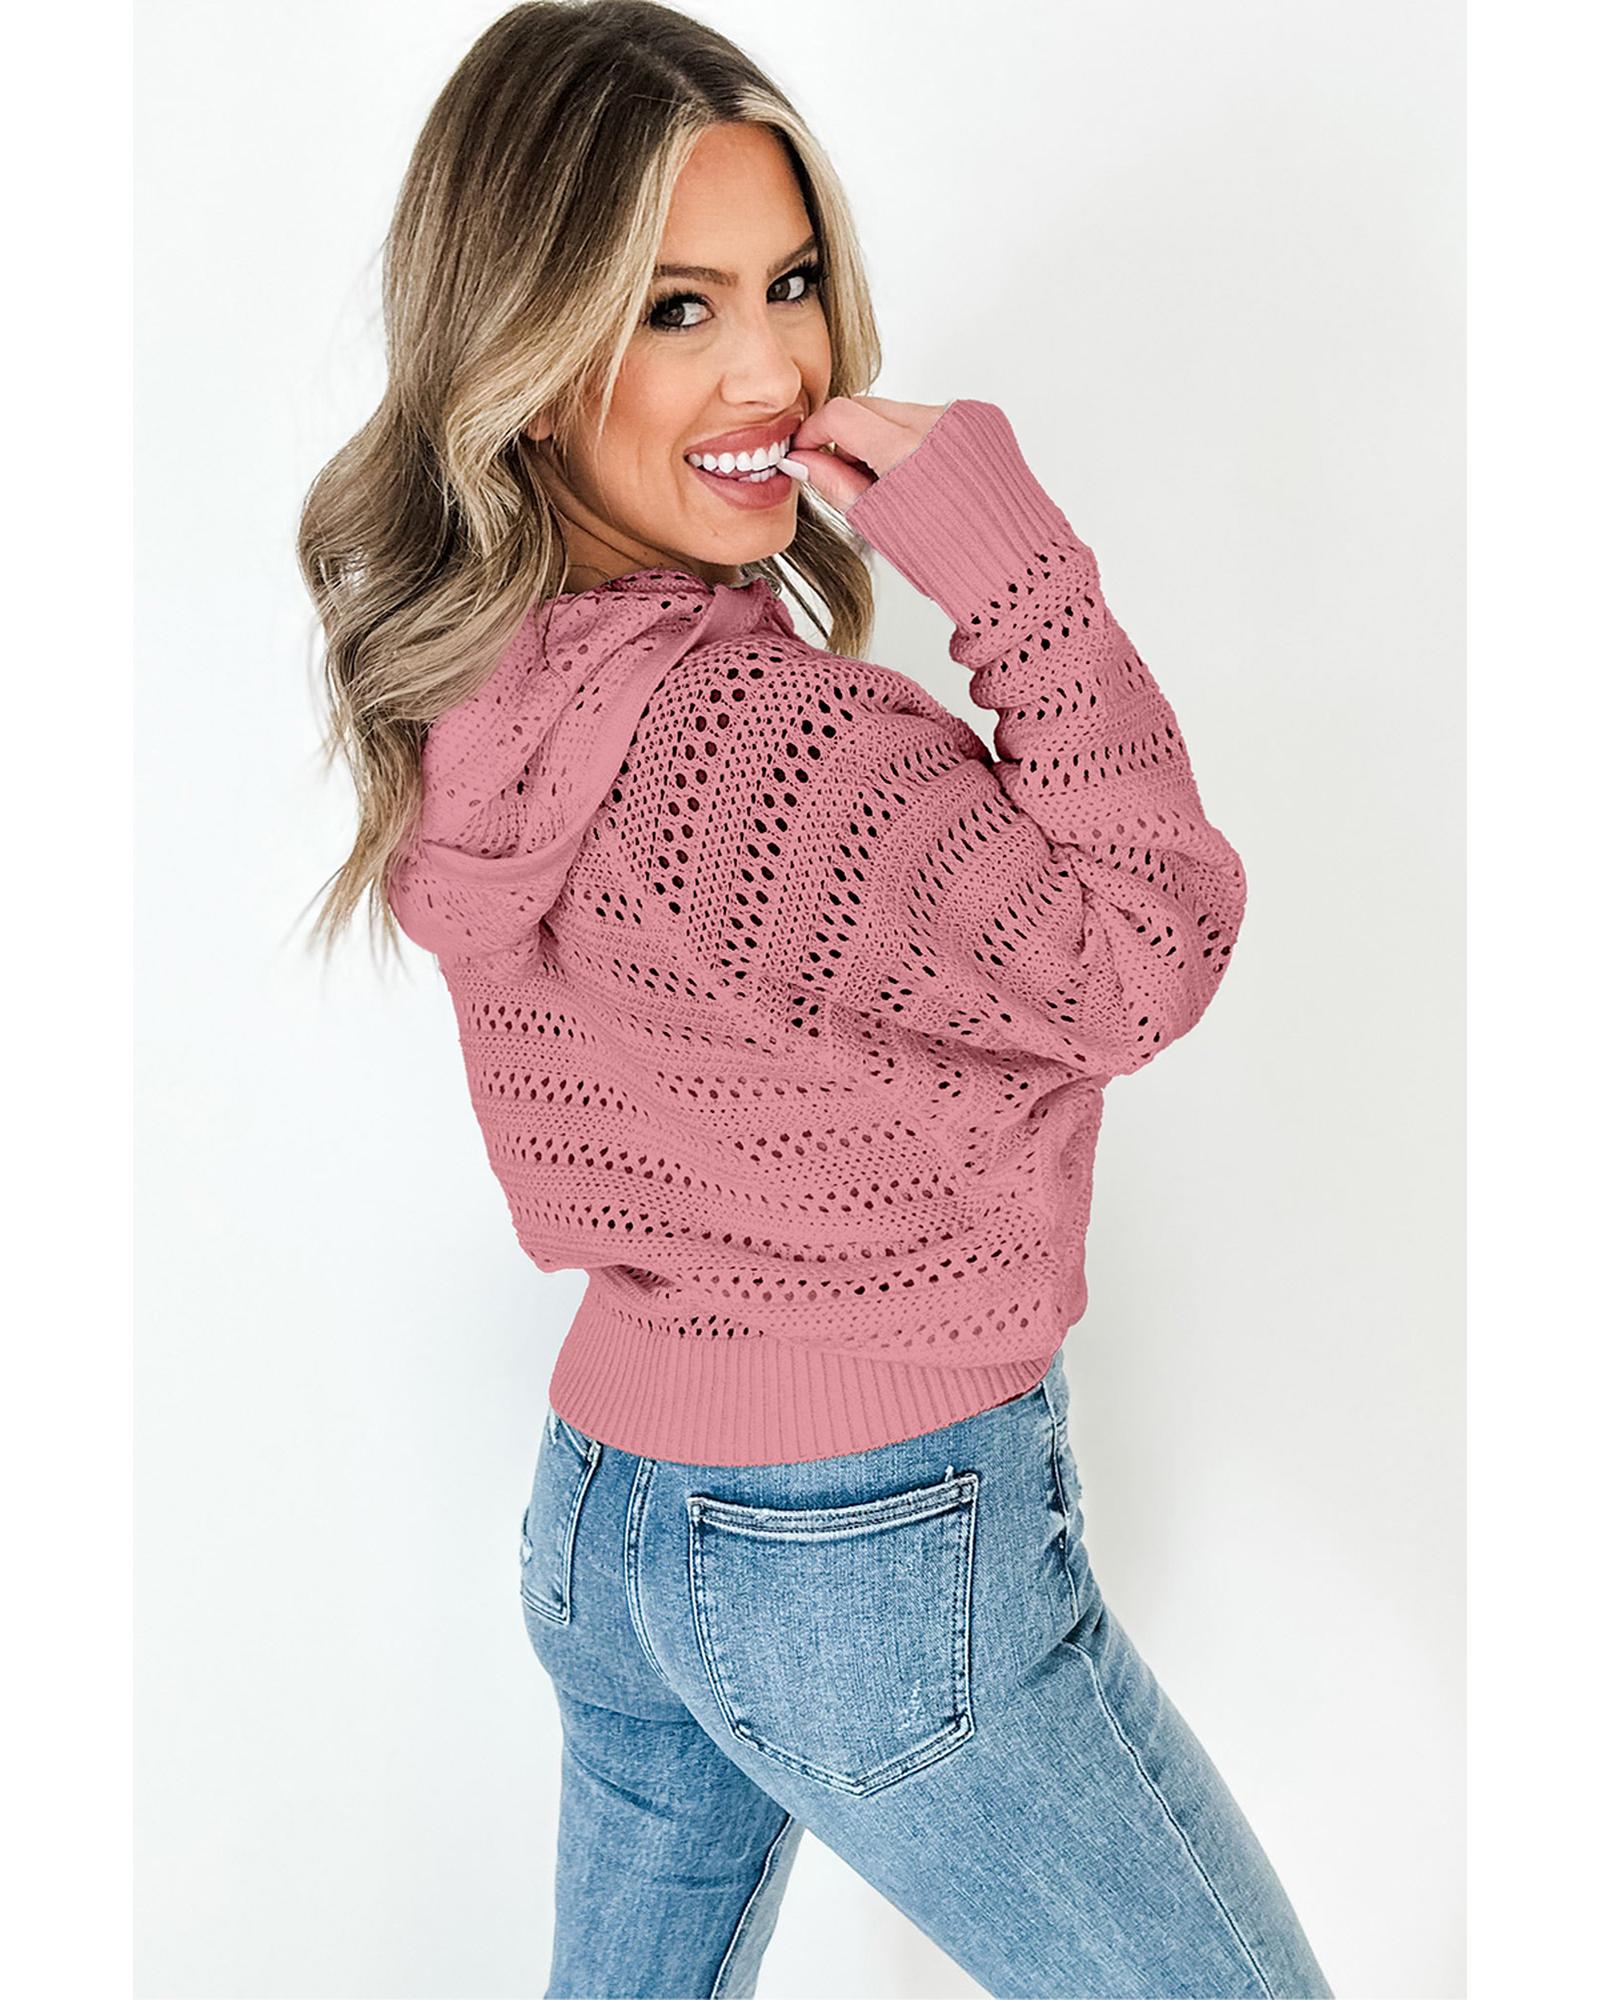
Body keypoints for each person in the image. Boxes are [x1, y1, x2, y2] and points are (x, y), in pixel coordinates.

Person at [298, 4, 1336, 1995]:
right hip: (859, 1536)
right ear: (528, 361)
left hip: (610, 1512)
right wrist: (1015, 572)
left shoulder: (486, 680)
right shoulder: (763, 744)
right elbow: (1143, 953)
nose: (772, 366)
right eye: (672, 309)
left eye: (787, 283)